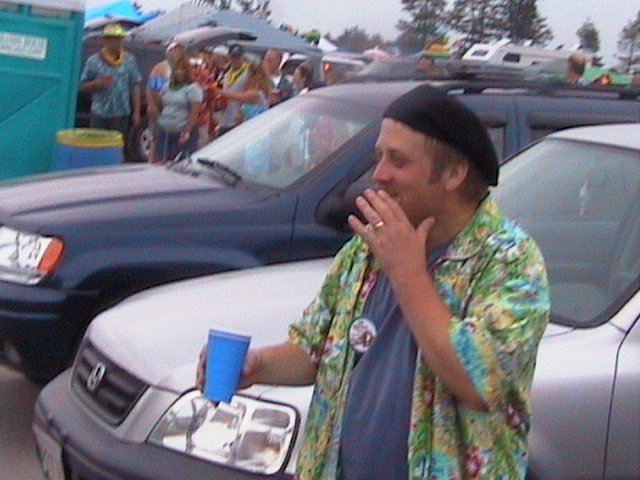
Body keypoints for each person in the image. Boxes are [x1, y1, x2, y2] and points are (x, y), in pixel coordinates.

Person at [196, 85, 551, 479]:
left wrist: (409, 273)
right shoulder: (368, 247)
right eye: (379, 156)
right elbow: (317, 349)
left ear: (452, 173)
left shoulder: (509, 260)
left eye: (398, 160)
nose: (379, 174)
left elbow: (478, 382)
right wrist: (257, 366)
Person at [79, 23, 142, 147]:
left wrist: (137, 112)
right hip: (99, 113)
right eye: (113, 39)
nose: (117, 42)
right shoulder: (93, 61)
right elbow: (82, 86)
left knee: (116, 147)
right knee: (97, 148)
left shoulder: (130, 60)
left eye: (119, 39)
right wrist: (96, 84)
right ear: (105, 40)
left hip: (122, 113)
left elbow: (135, 86)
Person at [151, 54, 203, 163]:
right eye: (177, 69)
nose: (179, 72)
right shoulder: (166, 86)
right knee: (160, 162)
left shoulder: (193, 88)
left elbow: (194, 113)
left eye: (182, 69)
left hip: (181, 133)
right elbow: (160, 105)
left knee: (180, 163)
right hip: (165, 131)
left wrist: (187, 132)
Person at [215, 44, 250, 136]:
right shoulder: (226, 73)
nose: (235, 60)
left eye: (237, 57)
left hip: (238, 120)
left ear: (242, 57)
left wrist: (242, 112)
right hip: (225, 119)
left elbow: (248, 97)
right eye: (233, 57)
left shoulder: (248, 73)